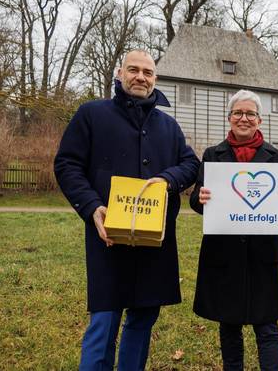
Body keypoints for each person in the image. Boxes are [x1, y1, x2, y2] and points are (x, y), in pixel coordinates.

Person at [54, 49, 199, 371]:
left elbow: (190, 164)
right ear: (119, 74)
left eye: (148, 72)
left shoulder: (169, 126)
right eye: (133, 70)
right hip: (108, 237)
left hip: (154, 241)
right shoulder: (91, 114)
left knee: (143, 318)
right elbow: (67, 164)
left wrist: (166, 179)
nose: (140, 77)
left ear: (155, 79)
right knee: (104, 320)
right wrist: (91, 206)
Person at [189, 89, 278, 371]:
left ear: (259, 120)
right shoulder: (212, 155)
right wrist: (201, 199)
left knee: (267, 327)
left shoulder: (277, 157)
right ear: (229, 118)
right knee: (229, 327)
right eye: (238, 113)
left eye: (250, 113)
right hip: (224, 255)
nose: (243, 118)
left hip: (262, 255)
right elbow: (197, 200)